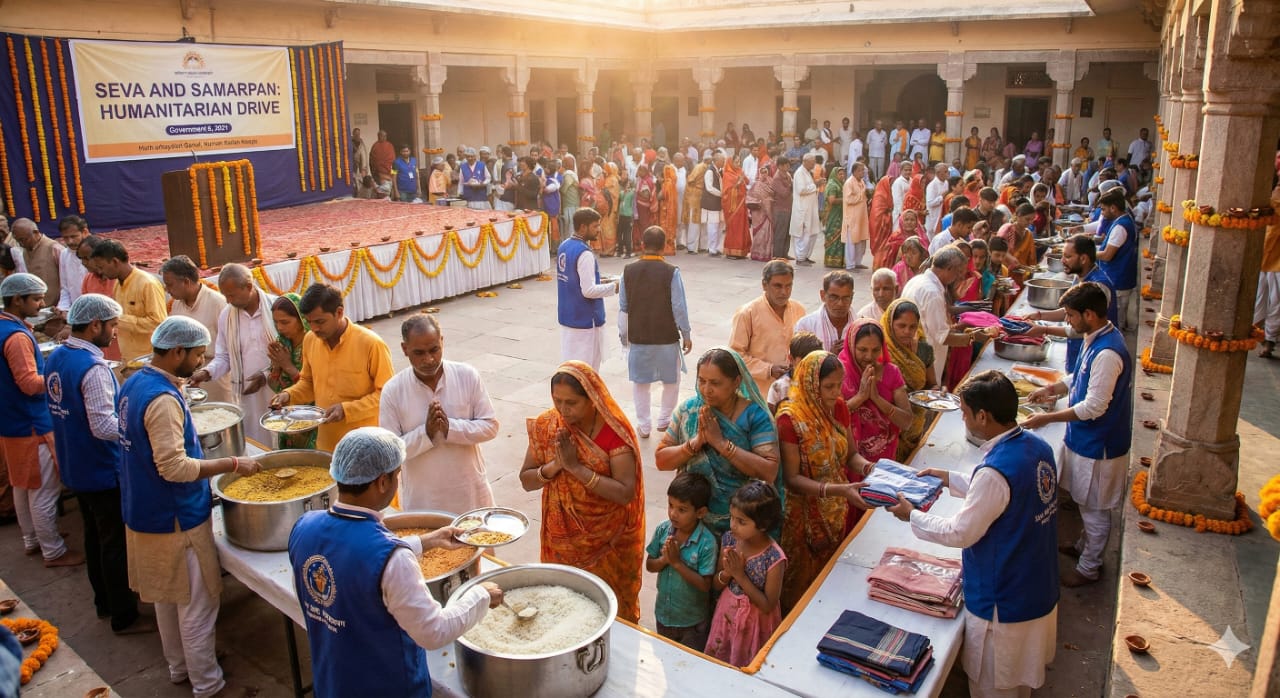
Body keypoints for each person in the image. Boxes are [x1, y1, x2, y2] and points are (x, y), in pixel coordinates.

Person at [288, 427, 502, 698]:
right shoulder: (393, 559)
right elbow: (433, 632)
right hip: (388, 685)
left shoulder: (304, 527)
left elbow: (349, 563)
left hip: (333, 681)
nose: (397, 482)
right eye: (397, 475)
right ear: (381, 482)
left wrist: (426, 541)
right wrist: (480, 596)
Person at [887, 370, 1059, 698]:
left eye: (964, 413)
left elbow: (960, 532)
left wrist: (913, 516)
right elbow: (1005, 492)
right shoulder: (1036, 447)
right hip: (1036, 586)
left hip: (1004, 600)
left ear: (982, 416)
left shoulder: (996, 472)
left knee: (994, 686)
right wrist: (948, 478)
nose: (963, 419)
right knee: (1019, 685)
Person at [119, 316, 262, 697]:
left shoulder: (135, 382)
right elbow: (174, 467)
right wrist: (232, 464)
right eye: (198, 355)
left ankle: (179, 668)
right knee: (197, 605)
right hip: (175, 517)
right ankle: (208, 684)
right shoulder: (163, 400)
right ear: (177, 351)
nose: (200, 362)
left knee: (168, 598)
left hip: (143, 508)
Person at [45, 294, 153, 632]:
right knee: (114, 543)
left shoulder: (60, 354)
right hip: (100, 468)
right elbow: (104, 426)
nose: (115, 332)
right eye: (112, 326)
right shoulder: (92, 368)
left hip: (73, 459)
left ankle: (104, 602)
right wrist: (141, 426)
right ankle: (124, 615)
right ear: (95, 326)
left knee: (94, 536)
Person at [1023, 283, 1131, 588]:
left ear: (1090, 314)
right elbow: (1081, 374)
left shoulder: (1109, 352)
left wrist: (1049, 417)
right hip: (1086, 438)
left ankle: (1089, 568)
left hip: (1101, 442)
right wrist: (1054, 388)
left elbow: (1095, 406)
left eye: (1070, 315)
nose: (1068, 321)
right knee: (1086, 501)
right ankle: (1084, 547)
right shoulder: (1095, 338)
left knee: (1095, 507)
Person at [519, 361, 645, 622]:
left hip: (608, 540)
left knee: (607, 610)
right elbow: (527, 480)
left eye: (572, 403)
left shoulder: (614, 434)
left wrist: (576, 468)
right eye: (557, 401)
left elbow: (625, 493)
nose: (563, 410)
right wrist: (555, 466)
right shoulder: (549, 426)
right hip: (561, 538)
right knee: (563, 604)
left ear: (592, 399)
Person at [777, 351, 872, 611]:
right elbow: (792, 479)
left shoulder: (839, 408)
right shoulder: (790, 419)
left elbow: (851, 454)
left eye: (839, 385)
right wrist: (837, 490)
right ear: (810, 384)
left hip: (835, 510)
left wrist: (870, 468)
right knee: (799, 588)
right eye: (828, 387)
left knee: (828, 584)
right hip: (803, 517)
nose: (835, 392)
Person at [656, 348, 782, 538]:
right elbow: (661, 461)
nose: (706, 389)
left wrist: (722, 444)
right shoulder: (688, 410)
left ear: (736, 382)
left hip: (739, 523)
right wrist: (695, 443)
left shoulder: (754, 416)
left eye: (715, 383)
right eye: (702, 381)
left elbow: (769, 471)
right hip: (691, 521)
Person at [0, 273, 81, 566]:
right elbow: (30, 383)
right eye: (36, 299)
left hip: (10, 420)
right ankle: (53, 550)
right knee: (44, 489)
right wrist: (60, 375)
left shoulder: (5, 327)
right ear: (17, 300)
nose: (41, 304)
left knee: (22, 484)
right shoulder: (17, 337)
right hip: (30, 421)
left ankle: (32, 540)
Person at [380, 315, 497, 513]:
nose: (429, 359)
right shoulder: (393, 390)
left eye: (434, 349)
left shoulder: (466, 375)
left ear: (442, 341)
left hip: (470, 494)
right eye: (419, 353)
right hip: (423, 499)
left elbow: (490, 426)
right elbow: (389, 453)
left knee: (479, 542)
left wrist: (450, 427)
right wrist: (426, 434)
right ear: (404, 349)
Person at [269, 284, 394, 452]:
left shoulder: (371, 344)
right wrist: (288, 395)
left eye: (320, 321)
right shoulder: (310, 340)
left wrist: (346, 409)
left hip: (364, 443)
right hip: (327, 443)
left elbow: (386, 395)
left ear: (339, 312)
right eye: (309, 322)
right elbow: (308, 383)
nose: (314, 328)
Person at [189, 264, 277, 446]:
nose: (228, 301)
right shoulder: (226, 316)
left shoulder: (276, 308)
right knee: (255, 441)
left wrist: (266, 376)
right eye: (225, 295)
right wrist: (206, 373)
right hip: (247, 394)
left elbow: (293, 353)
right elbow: (224, 357)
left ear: (249, 287)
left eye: (232, 295)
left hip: (278, 390)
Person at [620, 227, 693, 438]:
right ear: (664, 246)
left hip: (639, 337)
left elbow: (623, 306)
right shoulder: (671, 271)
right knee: (671, 380)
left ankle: (643, 426)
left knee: (640, 382)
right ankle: (664, 419)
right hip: (666, 337)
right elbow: (679, 306)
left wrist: (624, 337)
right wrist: (686, 334)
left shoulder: (628, 270)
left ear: (642, 244)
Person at [704, 481, 787, 667]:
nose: (733, 525)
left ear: (763, 525)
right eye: (732, 517)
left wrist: (740, 575)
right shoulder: (729, 540)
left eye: (741, 522)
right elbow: (716, 585)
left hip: (755, 625)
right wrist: (726, 574)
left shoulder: (774, 558)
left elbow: (767, 605)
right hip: (727, 616)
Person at [645, 471, 717, 651]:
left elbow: (705, 585)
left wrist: (677, 563)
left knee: (689, 664)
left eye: (682, 509)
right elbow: (650, 565)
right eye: (670, 505)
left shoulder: (707, 543)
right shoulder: (663, 530)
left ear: (700, 512)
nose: (673, 514)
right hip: (664, 615)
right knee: (664, 656)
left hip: (691, 623)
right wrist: (665, 560)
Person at [838, 318, 914, 462]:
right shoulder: (839, 373)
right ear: (850, 345)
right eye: (862, 350)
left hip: (883, 459)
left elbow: (906, 422)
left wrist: (877, 399)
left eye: (875, 350)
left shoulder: (891, 373)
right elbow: (831, 417)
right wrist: (860, 397)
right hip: (848, 458)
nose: (869, 357)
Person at [159, 256, 231, 404]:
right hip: (186, 377)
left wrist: (206, 371)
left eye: (170, 285)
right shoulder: (177, 305)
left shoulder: (218, 303)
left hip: (215, 376)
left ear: (186, 282)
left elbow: (230, 348)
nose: (167, 290)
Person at [901, 246, 979, 381]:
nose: (960, 276)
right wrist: (973, 337)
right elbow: (942, 337)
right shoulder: (932, 293)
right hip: (924, 362)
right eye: (958, 272)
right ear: (949, 268)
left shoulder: (917, 280)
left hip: (913, 355)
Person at [729, 261, 806, 394]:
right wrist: (768, 369)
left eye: (788, 286)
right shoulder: (747, 313)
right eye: (778, 286)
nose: (784, 292)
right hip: (758, 393)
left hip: (791, 391)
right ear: (764, 285)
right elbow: (736, 356)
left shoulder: (799, 310)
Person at [556, 208, 618, 370]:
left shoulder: (564, 246)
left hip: (568, 316)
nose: (599, 229)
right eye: (595, 226)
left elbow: (574, 279)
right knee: (586, 373)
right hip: (584, 321)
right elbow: (588, 290)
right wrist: (615, 287)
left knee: (571, 368)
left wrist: (601, 280)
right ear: (583, 227)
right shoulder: (584, 253)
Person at [91, 239, 167, 363]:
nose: (100, 272)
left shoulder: (147, 283)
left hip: (149, 358)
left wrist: (117, 319)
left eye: (101, 267)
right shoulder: (117, 284)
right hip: (128, 357)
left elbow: (158, 323)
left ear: (115, 262)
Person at [882, 299, 937, 459]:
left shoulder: (924, 350)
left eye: (912, 326)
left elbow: (931, 383)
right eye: (901, 325)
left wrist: (935, 392)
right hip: (887, 426)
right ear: (890, 324)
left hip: (916, 424)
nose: (907, 331)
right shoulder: (879, 351)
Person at [265, 294, 316, 450]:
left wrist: (287, 365)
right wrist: (276, 367)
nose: (280, 327)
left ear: (301, 319)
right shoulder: (281, 343)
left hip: (313, 415)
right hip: (288, 414)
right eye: (276, 322)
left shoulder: (314, 342)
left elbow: (314, 386)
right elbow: (274, 386)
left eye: (285, 322)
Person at [1094, 187, 1138, 330]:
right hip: (1119, 278)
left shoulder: (1121, 226)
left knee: (1116, 323)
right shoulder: (1123, 220)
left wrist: (1087, 252)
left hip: (1118, 280)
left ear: (1113, 208)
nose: (1102, 213)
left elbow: (1107, 255)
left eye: (1104, 209)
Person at [9, 219, 65, 311]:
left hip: (57, 309)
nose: (21, 244)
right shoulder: (24, 251)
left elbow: (66, 283)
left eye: (24, 239)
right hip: (39, 309)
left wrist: (62, 306)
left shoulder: (54, 248)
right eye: (18, 241)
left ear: (36, 232)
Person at [795, 270, 855, 354]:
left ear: (852, 297)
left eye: (845, 298)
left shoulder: (861, 326)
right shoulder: (806, 325)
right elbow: (799, 363)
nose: (840, 304)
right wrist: (829, 357)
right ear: (823, 295)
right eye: (833, 297)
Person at [766, 332, 823, 413]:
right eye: (804, 362)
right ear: (791, 359)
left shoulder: (822, 384)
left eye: (813, 361)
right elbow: (771, 418)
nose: (809, 366)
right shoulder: (779, 387)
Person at [789, 154, 822, 266]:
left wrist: (815, 185)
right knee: (802, 233)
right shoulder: (799, 173)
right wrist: (815, 184)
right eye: (812, 162)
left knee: (812, 232)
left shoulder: (807, 172)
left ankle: (806, 256)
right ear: (805, 161)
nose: (813, 164)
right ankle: (800, 258)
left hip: (811, 208)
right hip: (802, 209)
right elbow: (801, 190)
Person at [56, 215, 90, 313]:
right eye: (65, 238)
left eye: (73, 236)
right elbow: (65, 288)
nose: (70, 241)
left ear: (85, 232)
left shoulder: (98, 252)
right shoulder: (64, 254)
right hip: (75, 310)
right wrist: (62, 308)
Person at [842, 162, 870, 270]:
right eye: (860, 170)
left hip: (861, 216)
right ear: (854, 171)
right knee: (851, 241)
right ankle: (850, 264)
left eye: (863, 170)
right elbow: (848, 199)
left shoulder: (862, 182)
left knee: (861, 240)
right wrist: (861, 194)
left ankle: (858, 262)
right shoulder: (849, 183)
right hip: (852, 217)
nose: (862, 172)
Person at [722, 156, 751, 259]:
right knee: (734, 227)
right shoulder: (727, 174)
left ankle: (742, 251)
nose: (738, 164)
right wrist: (739, 182)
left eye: (739, 161)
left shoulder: (740, 171)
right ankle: (731, 252)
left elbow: (747, 182)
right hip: (733, 207)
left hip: (742, 205)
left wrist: (743, 178)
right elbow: (726, 192)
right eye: (736, 162)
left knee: (742, 227)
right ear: (731, 162)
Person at [701, 151, 726, 257]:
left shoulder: (719, 171)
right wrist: (721, 194)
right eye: (722, 160)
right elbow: (709, 188)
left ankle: (716, 247)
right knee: (712, 226)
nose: (724, 162)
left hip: (718, 203)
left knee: (719, 226)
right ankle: (712, 249)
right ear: (716, 161)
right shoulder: (710, 171)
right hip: (711, 203)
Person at [821, 166, 846, 268]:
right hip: (833, 214)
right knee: (833, 235)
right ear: (835, 175)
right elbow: (832, 200)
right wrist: (846, 200)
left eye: (843, 174)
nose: (842, 176)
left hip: (839, 214)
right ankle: (831, 260)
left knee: (840, 237)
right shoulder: (832, 185)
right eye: (840, 174)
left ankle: (838, 260)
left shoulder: (840, 184)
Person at [770, 157, 795, 259]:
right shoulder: (776, 178)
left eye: (788, 164)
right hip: (780, 210)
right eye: (786, 165)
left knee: (787, 233)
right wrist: (790, 185)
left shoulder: (788, 175)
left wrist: (790, 185)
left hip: (788, 208)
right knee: (780, 233)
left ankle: (785, 253)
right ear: (780, 166)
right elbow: (784, 193)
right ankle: (777, 255)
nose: (788, 166)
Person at [683, 155, 708, 254]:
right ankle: (692, 247)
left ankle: (702, 246)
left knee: (702, 222)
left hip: (700, 196)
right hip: (694, 197)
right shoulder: (701, 167)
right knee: (694, 222)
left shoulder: (703, 166)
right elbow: (690, 180)